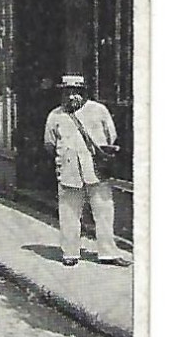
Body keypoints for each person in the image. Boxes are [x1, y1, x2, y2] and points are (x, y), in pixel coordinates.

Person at [43, 74, 131, 267]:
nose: (72, 97)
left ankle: (108, 252)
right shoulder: (55, 116)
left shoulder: (99, 111)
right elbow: (49, 144)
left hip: (96, 171)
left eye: (76, 92)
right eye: (68, 92)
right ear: (62, 94)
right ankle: (70, 253)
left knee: (104, 212)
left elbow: (111, 136)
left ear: (84, 93)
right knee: (69, 213)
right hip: (68, 171)